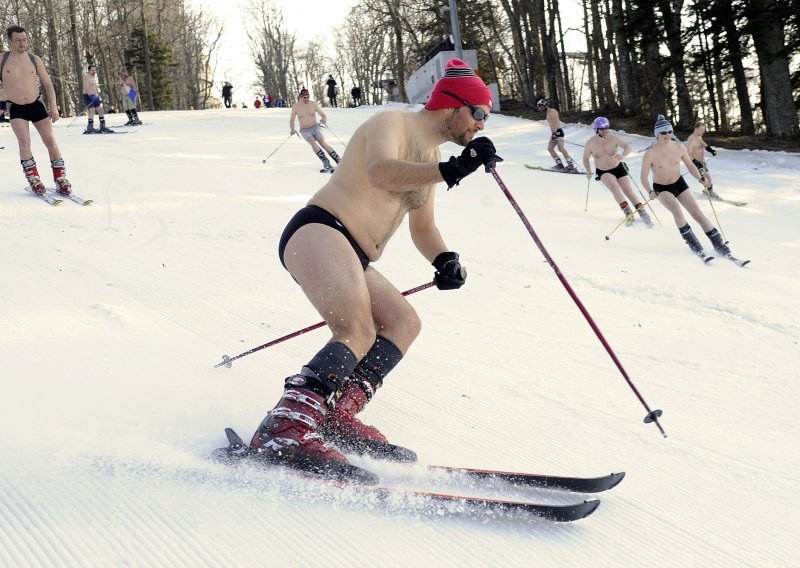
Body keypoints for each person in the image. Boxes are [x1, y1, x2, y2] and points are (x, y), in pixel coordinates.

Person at [249, 58, 502, 477]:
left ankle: (334, 416)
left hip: (353, 251)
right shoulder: (393, 122)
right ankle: (287, 426)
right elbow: (380, 172)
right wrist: (454, 168)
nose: (481, 125)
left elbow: (424, 227)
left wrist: (445, 260)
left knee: (404, 322)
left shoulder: (434, 156)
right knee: (357, 330)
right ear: (453, 105)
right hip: (320, 229)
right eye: (478, 114)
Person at [640, 115, 734, 260]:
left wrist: (699, 177)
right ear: (657, 134)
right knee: (677, 211)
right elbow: (643, 177)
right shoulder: (650, 153)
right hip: (662, 188)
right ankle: (694, 244)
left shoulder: (679, 147)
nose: (667, 135)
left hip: (679, 183)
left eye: (670, 132)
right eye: (663, 133)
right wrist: (650, 191)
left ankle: (719, 244)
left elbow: (690, 165)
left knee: (697, 213)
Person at [1, 26, 71, 196]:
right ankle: (34, 178)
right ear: (10, 41)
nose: (22, 43)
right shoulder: (2, 59)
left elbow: (47, 84)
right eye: (17, 40)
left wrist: (53, 106)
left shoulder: (34, 59)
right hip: (15, 106)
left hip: (36, 104)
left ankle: (60, 178)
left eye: (24, 39)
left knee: (50, 141)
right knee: (24, 142)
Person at [582, 117, 652, 226]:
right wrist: (588, 171)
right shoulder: (590, 143)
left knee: (628, 191)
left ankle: (642, 212)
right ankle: (628, 213)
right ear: (596, 129)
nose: (605, 131)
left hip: (618, 167)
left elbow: (628, 146)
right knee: (615, 188)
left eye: (607, 128)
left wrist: (623, 155)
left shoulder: (613, 138)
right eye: (602, 129)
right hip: (603, 171)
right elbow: (585, 158)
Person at [290, 87, 340, 172]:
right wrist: (292, 129)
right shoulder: (296, 106)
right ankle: (326, 162)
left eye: (308, 97)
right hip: (305, 130)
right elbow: (292, 120)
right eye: (304, 97)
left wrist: (324, 120)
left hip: (315, 127)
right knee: (312, 142)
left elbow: (323, 115)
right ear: (300, 97)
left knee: (322, 142)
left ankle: (338, 159)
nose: (306, 99)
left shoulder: (313, 104)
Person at [536, 98, 577, 171]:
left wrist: (555, 134)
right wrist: (553, 134)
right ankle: (559, 165)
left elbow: (554, 123)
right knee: (550, 148)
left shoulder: (552, 111)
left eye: (541, 106)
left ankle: (571, 166)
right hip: (554, 133)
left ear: (545, 105)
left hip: (558, 132)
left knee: (561, 148)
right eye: (539, 107)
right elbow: (552, 124)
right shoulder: (548, 113)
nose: (541, 108)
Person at [686, 121, 720, 199]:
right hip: (695, 163)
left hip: (702, 162)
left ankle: (708, 190)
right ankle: (710, 192)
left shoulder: (698, 136)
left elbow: (702, 143)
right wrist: (696, 163)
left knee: (708, 178)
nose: (703, 132)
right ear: (696, 129)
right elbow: (688, 153)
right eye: (701, 130)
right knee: (707, 178)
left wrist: (710, 149)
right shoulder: (691, 139)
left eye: (704, 130)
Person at [82, 65, 110, 133]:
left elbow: (93, 88)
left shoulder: (93, 77)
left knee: (100, 110)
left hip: (94, 96)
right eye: (92, 70)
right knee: (92, 110)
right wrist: (91, 96)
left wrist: (96, 96)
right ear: (89, 70)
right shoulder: (86, 77)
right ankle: (90, 127)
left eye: (95, 70)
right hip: (88, 95)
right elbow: (86, 88)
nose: (94, 71)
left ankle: (102, 126)